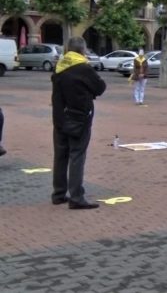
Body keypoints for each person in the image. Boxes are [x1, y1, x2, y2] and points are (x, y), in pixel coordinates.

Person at [51, 37, 107, 209]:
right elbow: (100, 87)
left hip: (60, 117)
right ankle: (76, 197)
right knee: (77, 155)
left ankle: (59, 194)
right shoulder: (84, 68)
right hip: (79, 118)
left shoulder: (60, 67)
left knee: (61, 156)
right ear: (82, 50)